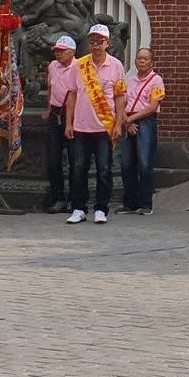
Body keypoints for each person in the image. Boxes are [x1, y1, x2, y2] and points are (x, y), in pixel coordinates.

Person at [64, 22, 126, 225]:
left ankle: (101, 208)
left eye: (100, 41)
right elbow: (72, 95)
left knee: (104, 169)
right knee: (78, 168)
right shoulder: (79, 64)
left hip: (104, 127)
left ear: (107, 43)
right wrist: (68, 123)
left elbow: (120, 97)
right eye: (92, 41)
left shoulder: (116, 65)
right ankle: (79, 208)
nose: (96, 45)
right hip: (81, 126)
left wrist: (118, 123)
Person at [119, 47, 164, 215]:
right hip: (128, 121)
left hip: (146, 122)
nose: (142, 61)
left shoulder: (156, 81)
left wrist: (130, 119)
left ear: (151, 62)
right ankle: (130, 203)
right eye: (139, 58)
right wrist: (126, 121)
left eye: (146, 58)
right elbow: (121, 103)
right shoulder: (129, 80)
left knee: (145, 163)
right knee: (126, 164)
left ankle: (146, 203)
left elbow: (153, 106)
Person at [43, 34, 78, 213]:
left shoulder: (79, 67)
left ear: (72, 52)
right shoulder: (52, 66)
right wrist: (49, 108)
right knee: (53, 160)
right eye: (57, 51)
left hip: (73, 115)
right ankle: (58, 198)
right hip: (55, 113)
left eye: (62, 51)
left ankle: (74, 198)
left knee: (74, 160)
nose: (58, 54)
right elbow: (51, 87)